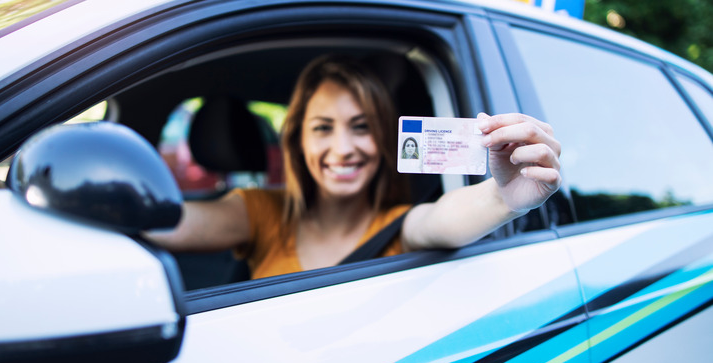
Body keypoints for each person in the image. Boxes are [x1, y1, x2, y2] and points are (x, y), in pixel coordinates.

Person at [148, 54, 561, 279]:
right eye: (323, 128)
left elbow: (439, 219)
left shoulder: (400, 226)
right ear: (298, 141)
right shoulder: (260, 212)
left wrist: (503, 195)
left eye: (361, 127)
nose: (342, 148)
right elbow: (171, 222)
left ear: (383, 140)